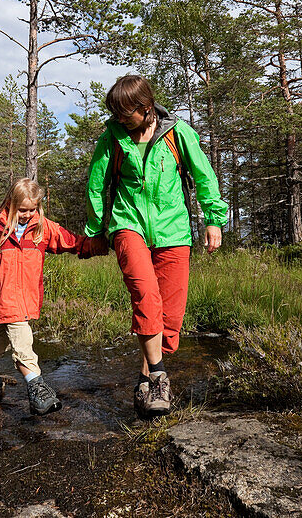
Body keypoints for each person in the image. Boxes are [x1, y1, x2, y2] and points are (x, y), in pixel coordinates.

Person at [85, 75, 227, 418]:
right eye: (115, 113)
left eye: (125, 113)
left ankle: (145, 376)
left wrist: (213, 218)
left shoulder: (179, 133)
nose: (120, 119)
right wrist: (95, 230)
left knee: (170, 317)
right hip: (127, 224)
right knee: (146, 296)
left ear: (145, 107)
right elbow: (95, 184)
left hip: (173, 231)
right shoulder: (112, 139)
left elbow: (204, 175)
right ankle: (161, 376)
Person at [0, 177, 107, 415]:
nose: (26, 214)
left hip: (27, 296)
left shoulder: (43, 228)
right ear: (11, 204)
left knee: (6, 331)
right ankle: (37, 387)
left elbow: (72, 242)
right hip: (4, 295)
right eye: (22, 209)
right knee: (22, 339)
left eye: (32, 209)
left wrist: (100, 245)